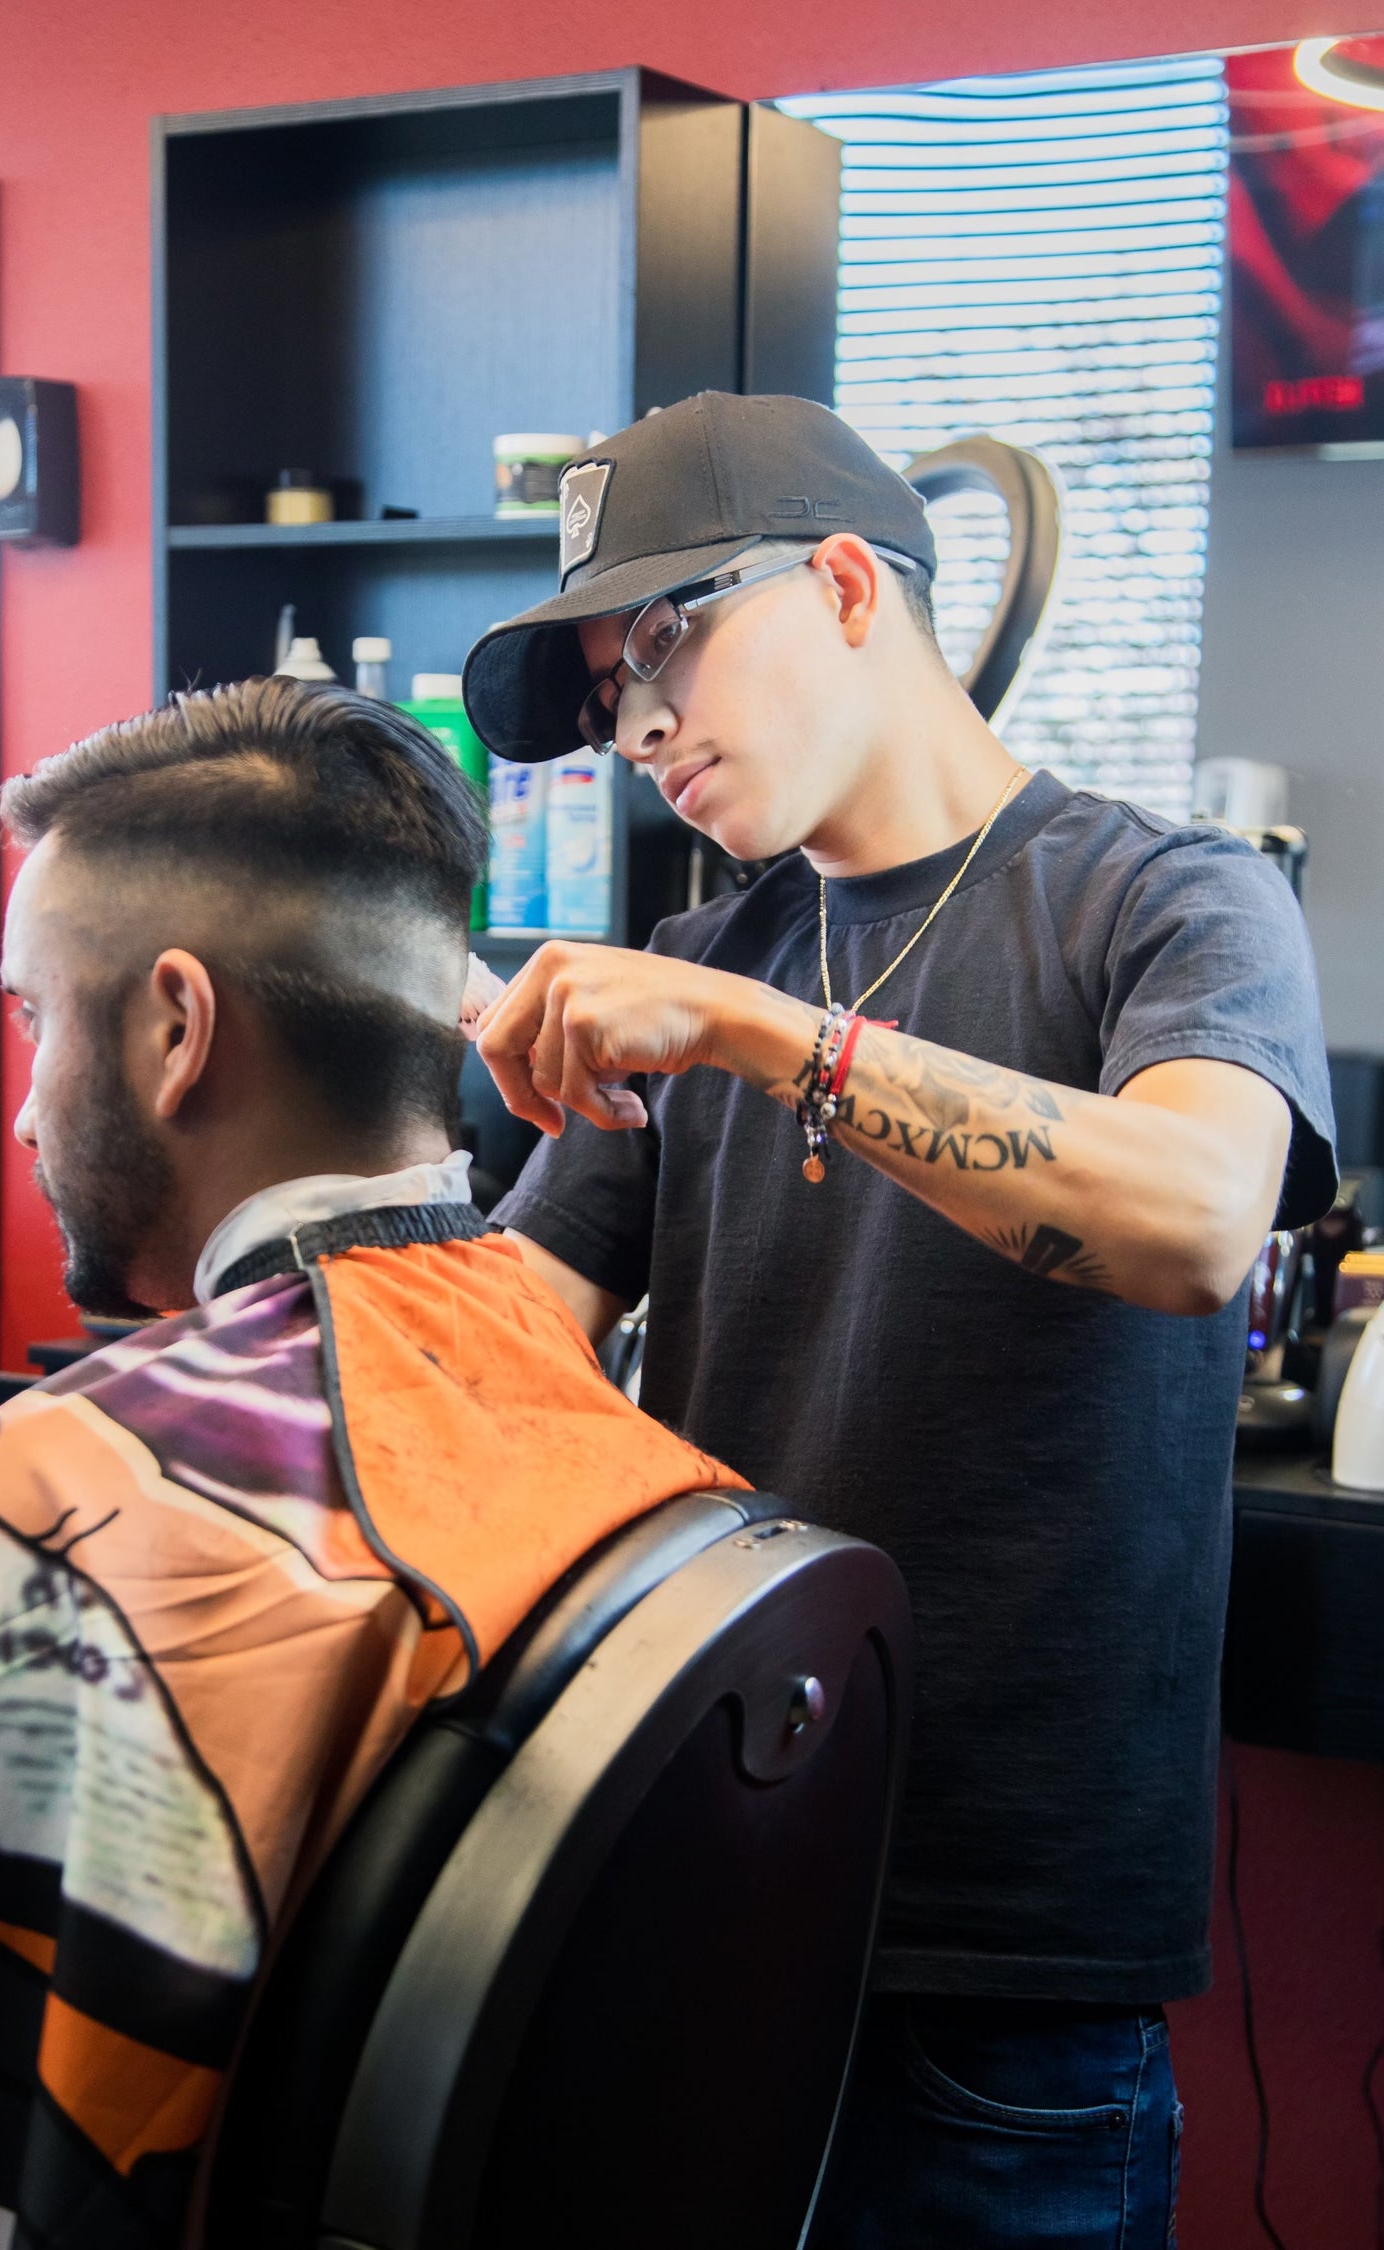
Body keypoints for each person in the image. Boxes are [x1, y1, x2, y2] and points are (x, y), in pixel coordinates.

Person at [461, 390, 1339, 2249]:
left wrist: (769, 1043)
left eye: (668, 645)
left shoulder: (1175, 907)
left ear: (852, 581)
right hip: (697, 1884)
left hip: (1003, 1958)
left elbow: (1193, 1220)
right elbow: (501, 1358)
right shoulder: (702, 967)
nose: (640, 729)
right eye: (612, 696)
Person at [0, 678, 742, 2250]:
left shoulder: (22, 1527)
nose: (16, 1118)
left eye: (29, 1017)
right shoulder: (599, 1425)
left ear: (176, 1027)